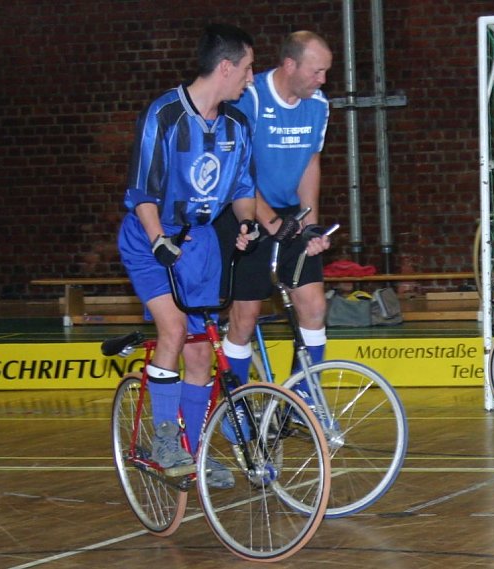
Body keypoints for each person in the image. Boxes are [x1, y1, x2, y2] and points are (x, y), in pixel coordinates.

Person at [117, 23, 259, 488]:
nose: (251, 78)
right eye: (247, 68)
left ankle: (192, 453)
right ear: (225, 67)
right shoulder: (163, 116)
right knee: (174, 329)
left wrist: (246, 222)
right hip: (151, 239)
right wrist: (159, 240)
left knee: (200, 358)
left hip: (201, 248)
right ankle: (162, 439)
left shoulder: (238, 124)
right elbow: (142, 192)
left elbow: (241, 189)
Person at [215, 31, 333, 405]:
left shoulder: (319, 106)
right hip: (244, 209)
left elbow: (311, 164)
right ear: (289, 65)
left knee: (314, 305)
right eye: (317, 72)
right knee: (245, 315)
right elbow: (238, 169)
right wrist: (267, 221)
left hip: (287, 212)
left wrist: (308, 222)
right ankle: (236, 404)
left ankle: (303, 398)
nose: (322, 80)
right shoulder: (250, 98)